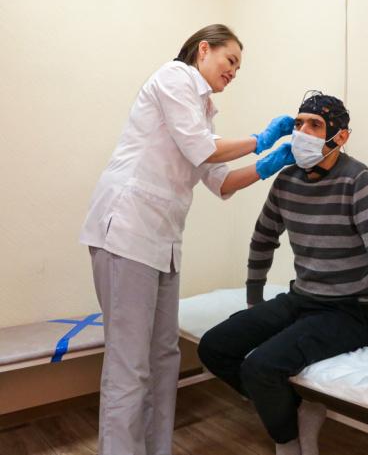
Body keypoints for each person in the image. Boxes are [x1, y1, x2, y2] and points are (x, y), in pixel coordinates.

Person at [78, 24, 296, 455]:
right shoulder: (173, 78)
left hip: (163, 242)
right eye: (230, 60)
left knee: (164, 357)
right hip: (127, 231)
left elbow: (222, 181)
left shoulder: (204, 112)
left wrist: (270, 163)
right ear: (203, 50)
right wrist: (260, 140)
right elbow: (203, 149)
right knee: (129, 364)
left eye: (239, 67)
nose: (234, 71)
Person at [197, 91, 368, 455]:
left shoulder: (359, 181)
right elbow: (263, 238)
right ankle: (298, 411)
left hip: (351, 310)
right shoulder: (287, 181)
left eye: (315, 125)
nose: (302, 132)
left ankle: (286, 442)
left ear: (341, 136)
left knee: (260, 367)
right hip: (301, 298)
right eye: (298, 124)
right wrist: (254, 301)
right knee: (214, 347)